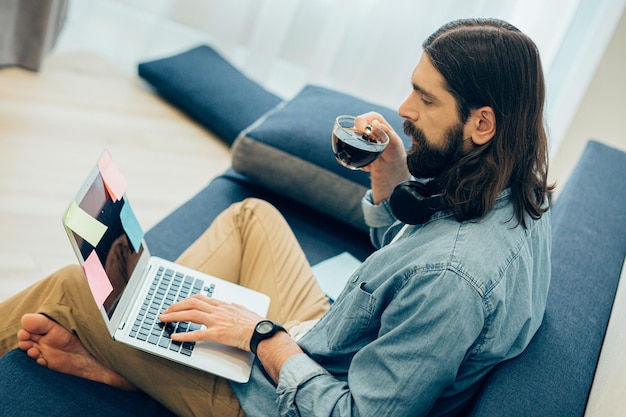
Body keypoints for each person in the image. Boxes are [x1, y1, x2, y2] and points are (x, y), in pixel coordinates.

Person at [0, 17, 554, 417]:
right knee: (251, 216)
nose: (403, 110)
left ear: (482, 123)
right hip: (329, 341)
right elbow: (410, 266)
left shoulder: (451, 281)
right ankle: (146, 340)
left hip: (282, 398)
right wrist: (391, 182)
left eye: (426, 100)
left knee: (75, 287)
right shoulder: (515, 191)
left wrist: (262, 337)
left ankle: (146, 354)